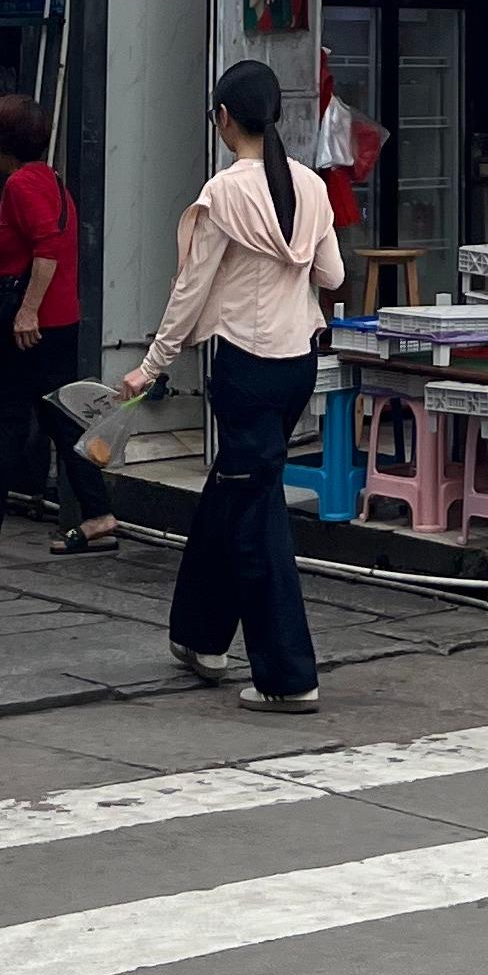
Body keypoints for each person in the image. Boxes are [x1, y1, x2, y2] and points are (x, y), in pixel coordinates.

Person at [124, 59, 340, 712]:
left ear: (223, 118)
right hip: (297, 361)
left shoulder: (222, 193)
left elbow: (190, 292)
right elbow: (330, 273)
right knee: (232, 491)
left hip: (244, 365)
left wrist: (151, 364)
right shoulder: (310, 186)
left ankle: (288, 674)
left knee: (255, 515)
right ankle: (199, 635)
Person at [0, 92, 117, 561]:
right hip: (60, 323)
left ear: (1, 141)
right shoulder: (49, 179)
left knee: (1, 422)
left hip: (33, 330)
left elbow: (49, 245)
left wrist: (27, 310)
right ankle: (97, 517)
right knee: (63, 419)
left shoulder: (20, 186)